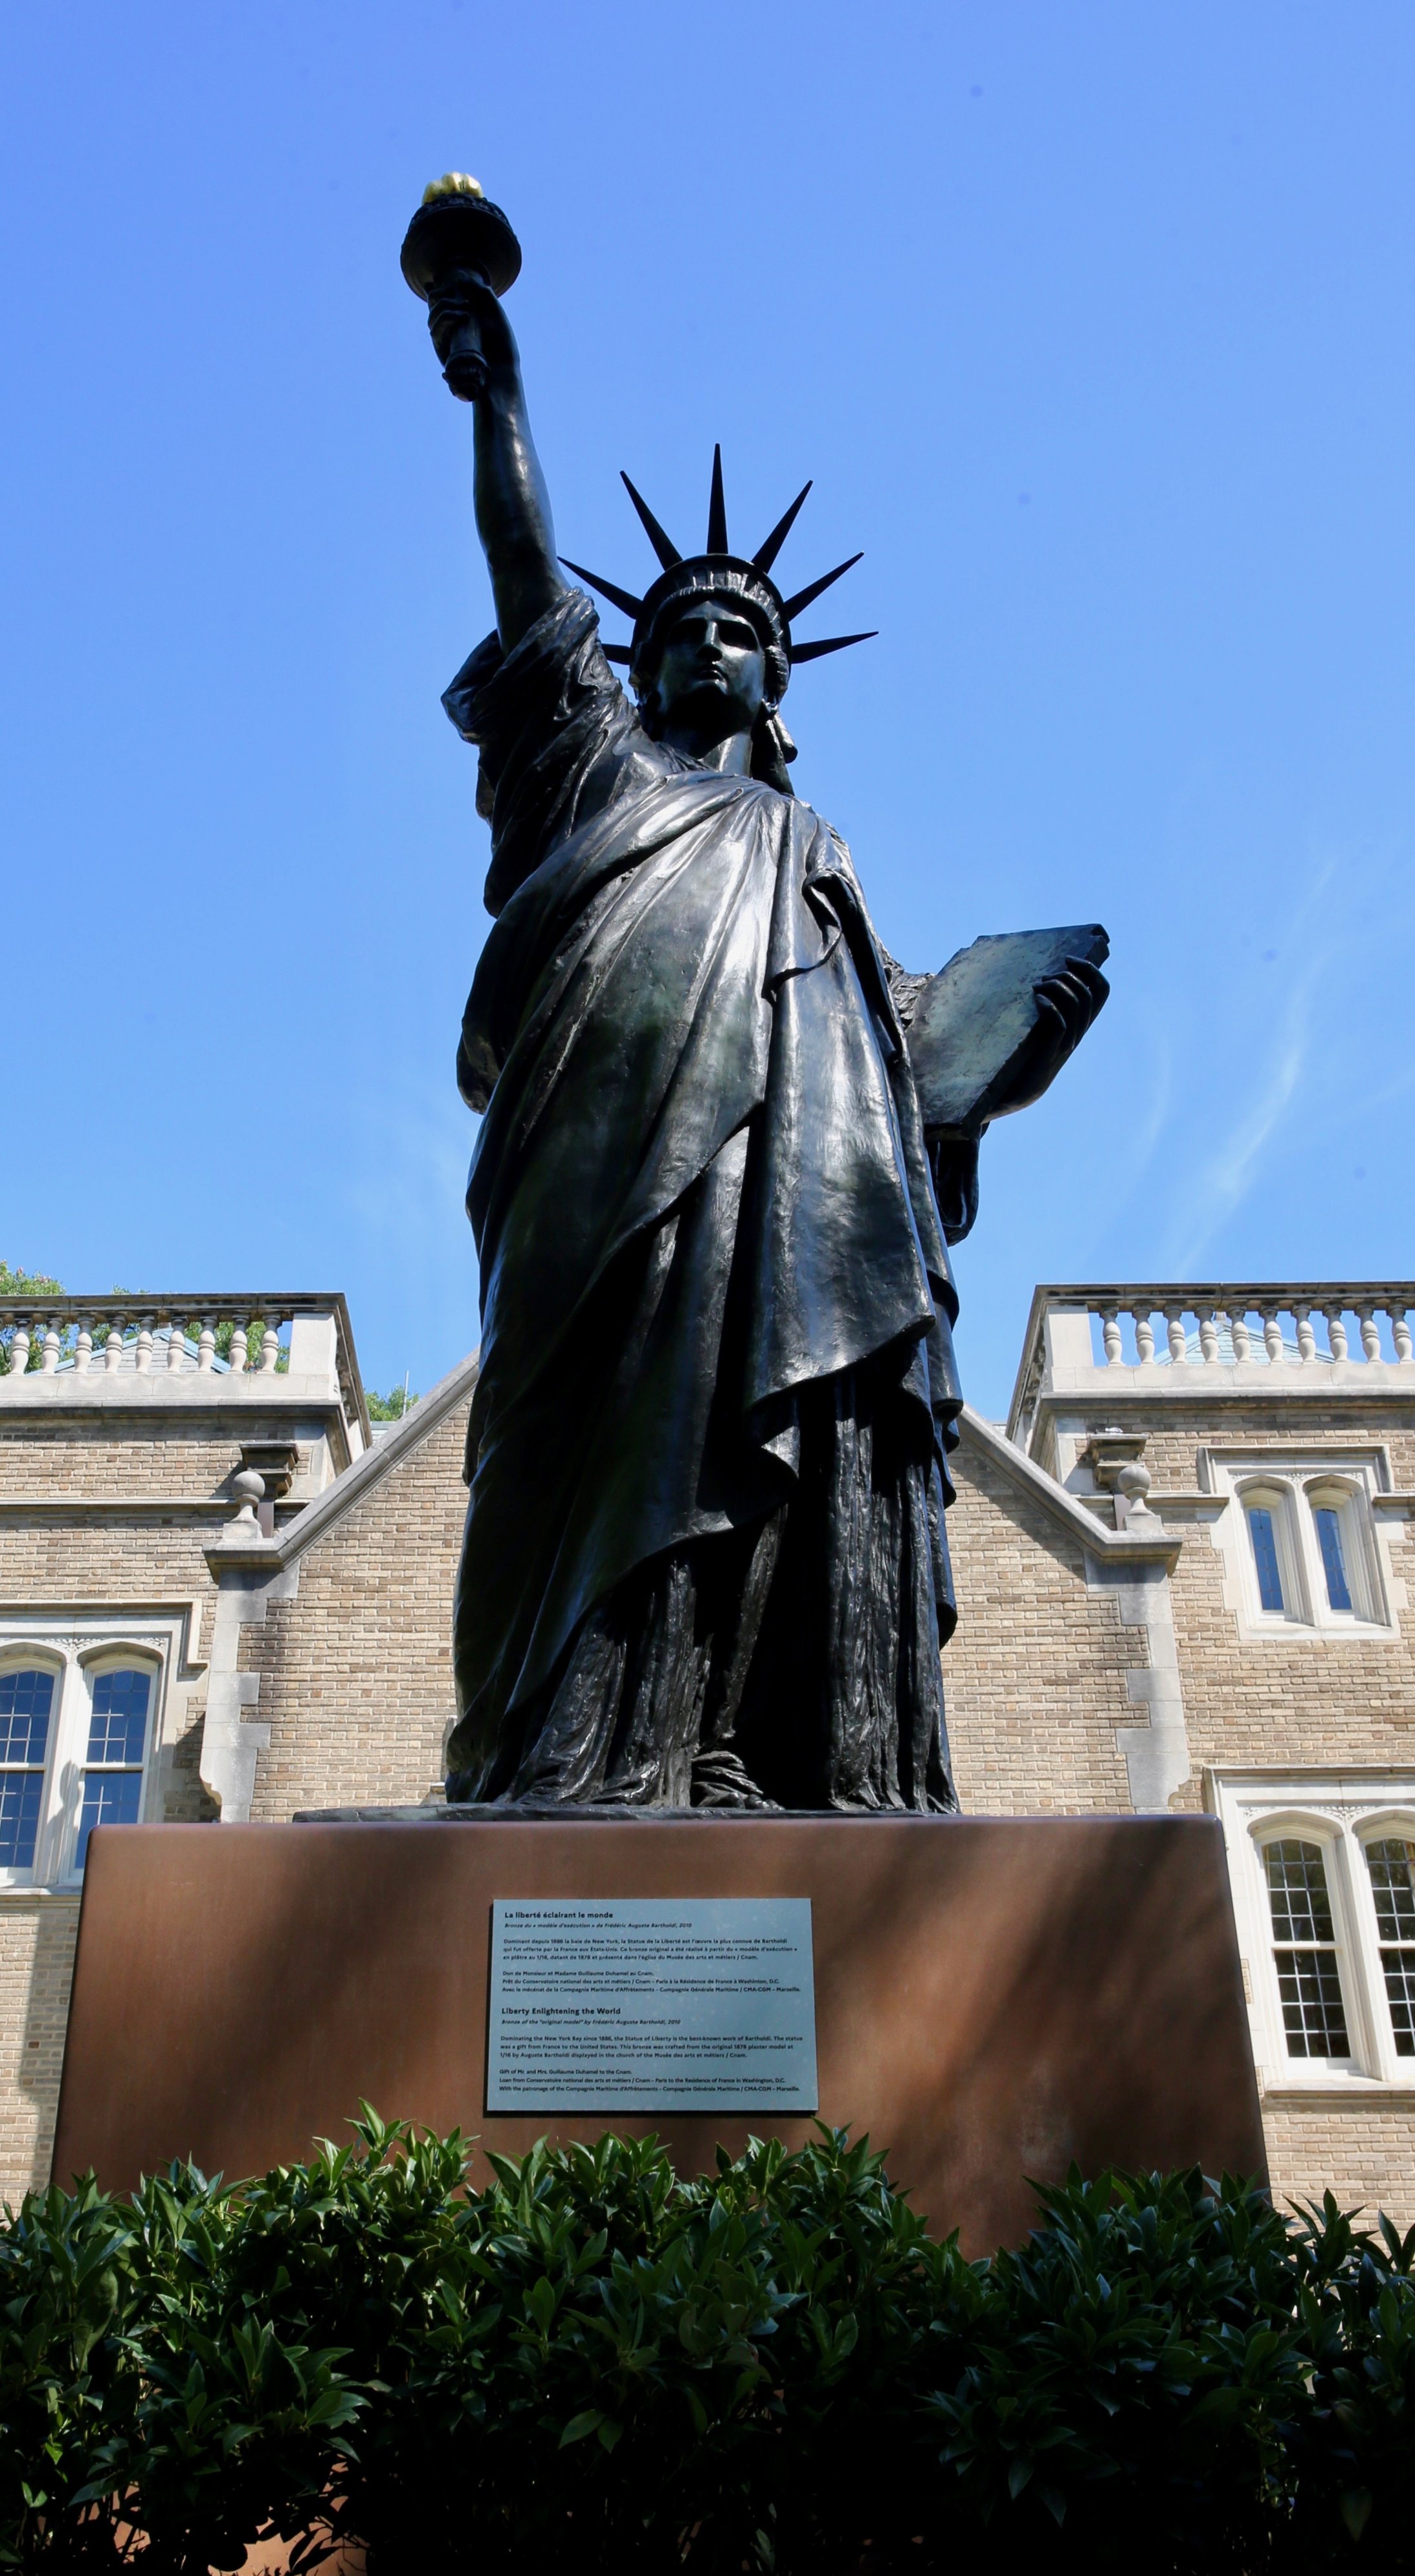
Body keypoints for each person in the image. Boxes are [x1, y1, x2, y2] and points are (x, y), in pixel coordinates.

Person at [426, 274, 1106, 1813]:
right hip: (604, 1188)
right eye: (683, 628)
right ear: (645, 667)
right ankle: (561, 1744)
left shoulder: (817, 848)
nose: (711, 646)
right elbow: (527, 576)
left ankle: (737, 1741)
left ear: (775, 676)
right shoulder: (597, 772)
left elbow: (895, 1080)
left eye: (740, 630)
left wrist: (983, 1088)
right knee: (576, 1455)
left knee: (781, 1441)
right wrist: (495, 394)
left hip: (793, 1214)